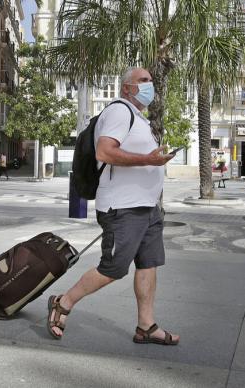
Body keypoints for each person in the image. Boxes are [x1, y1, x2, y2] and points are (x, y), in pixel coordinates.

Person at [46, 67, 179, 345]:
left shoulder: (140, 118)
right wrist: (149, 161)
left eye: (150, 81)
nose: (149, 85)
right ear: (127, 88)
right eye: (143, 81)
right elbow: (104, 152)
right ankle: (63, 302)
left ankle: (146, 326)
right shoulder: (119, 111)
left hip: (147, 207)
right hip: (124, 207)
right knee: (113, 267)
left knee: (148, 264)